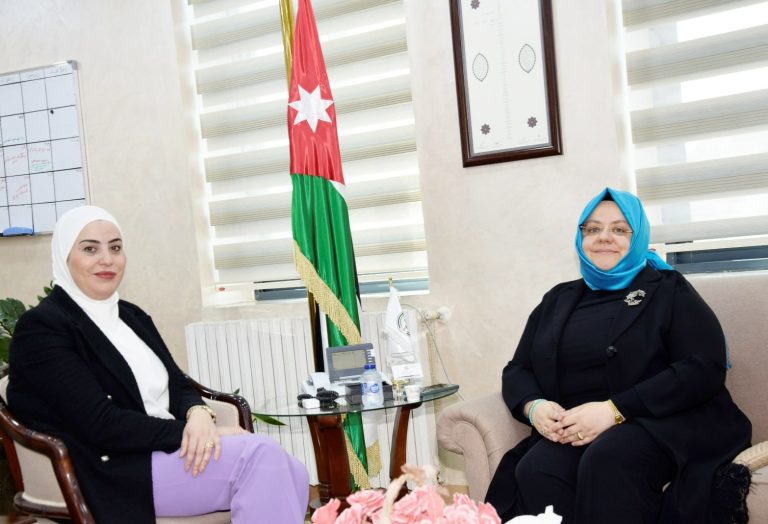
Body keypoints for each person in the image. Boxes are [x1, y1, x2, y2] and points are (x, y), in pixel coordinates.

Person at [7, 206, 309, 524]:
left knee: (296, 472)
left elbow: (177, 383)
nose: (107, 259)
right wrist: (193, 433)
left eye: (115, 247)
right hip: (117, 468)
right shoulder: (43, 327)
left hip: (163, 451)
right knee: (262, 457)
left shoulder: (130, 316)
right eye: (90, 249)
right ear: (64, 256)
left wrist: (198, 414)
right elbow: (101, 424)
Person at [484, 188, 751, 523]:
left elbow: (703, 367)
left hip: (659, 421)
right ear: (580, 237)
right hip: (577, 428)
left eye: (619, 229)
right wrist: (533, 406)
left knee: (609, 457)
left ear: (637, 238)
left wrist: (614, 410)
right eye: (593, 229)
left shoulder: (668, 288)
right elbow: (518, 369)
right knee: (537, 468)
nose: (604, 237)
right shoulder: (557, 298)